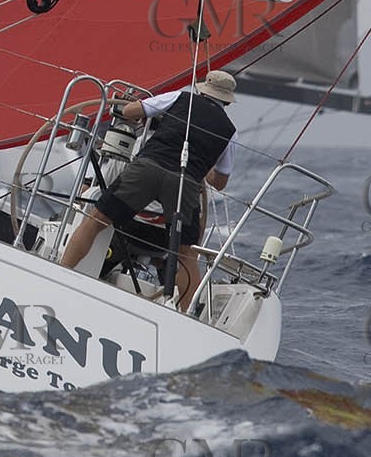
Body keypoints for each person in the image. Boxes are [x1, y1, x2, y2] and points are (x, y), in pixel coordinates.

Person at [58, 70, 240, 312]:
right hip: (184, 184)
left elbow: (131, 111)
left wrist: (135, 113)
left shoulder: (180, 98)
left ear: (202, 89)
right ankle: (186, 315)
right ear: (227, 101)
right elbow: (220, 182)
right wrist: (200, 164)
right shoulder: (230, 131)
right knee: (187, 254)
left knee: (96, 219)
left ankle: (60, 273)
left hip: (148, 169)